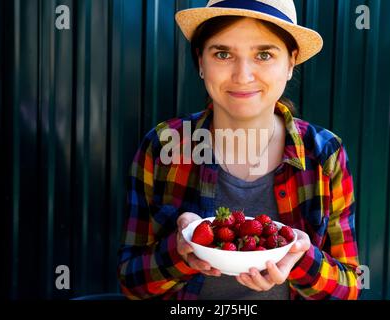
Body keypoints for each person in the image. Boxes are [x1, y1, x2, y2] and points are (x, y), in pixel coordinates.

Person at [117, 0, 361, 300]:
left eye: (264, 54)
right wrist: (179, 252)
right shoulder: (163, 146)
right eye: (222, 54)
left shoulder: (325, 154)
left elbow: (348, 289)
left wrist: (301, 258)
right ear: (201, 62)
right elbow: (132, 283)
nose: (243, 75)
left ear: (290, 63)